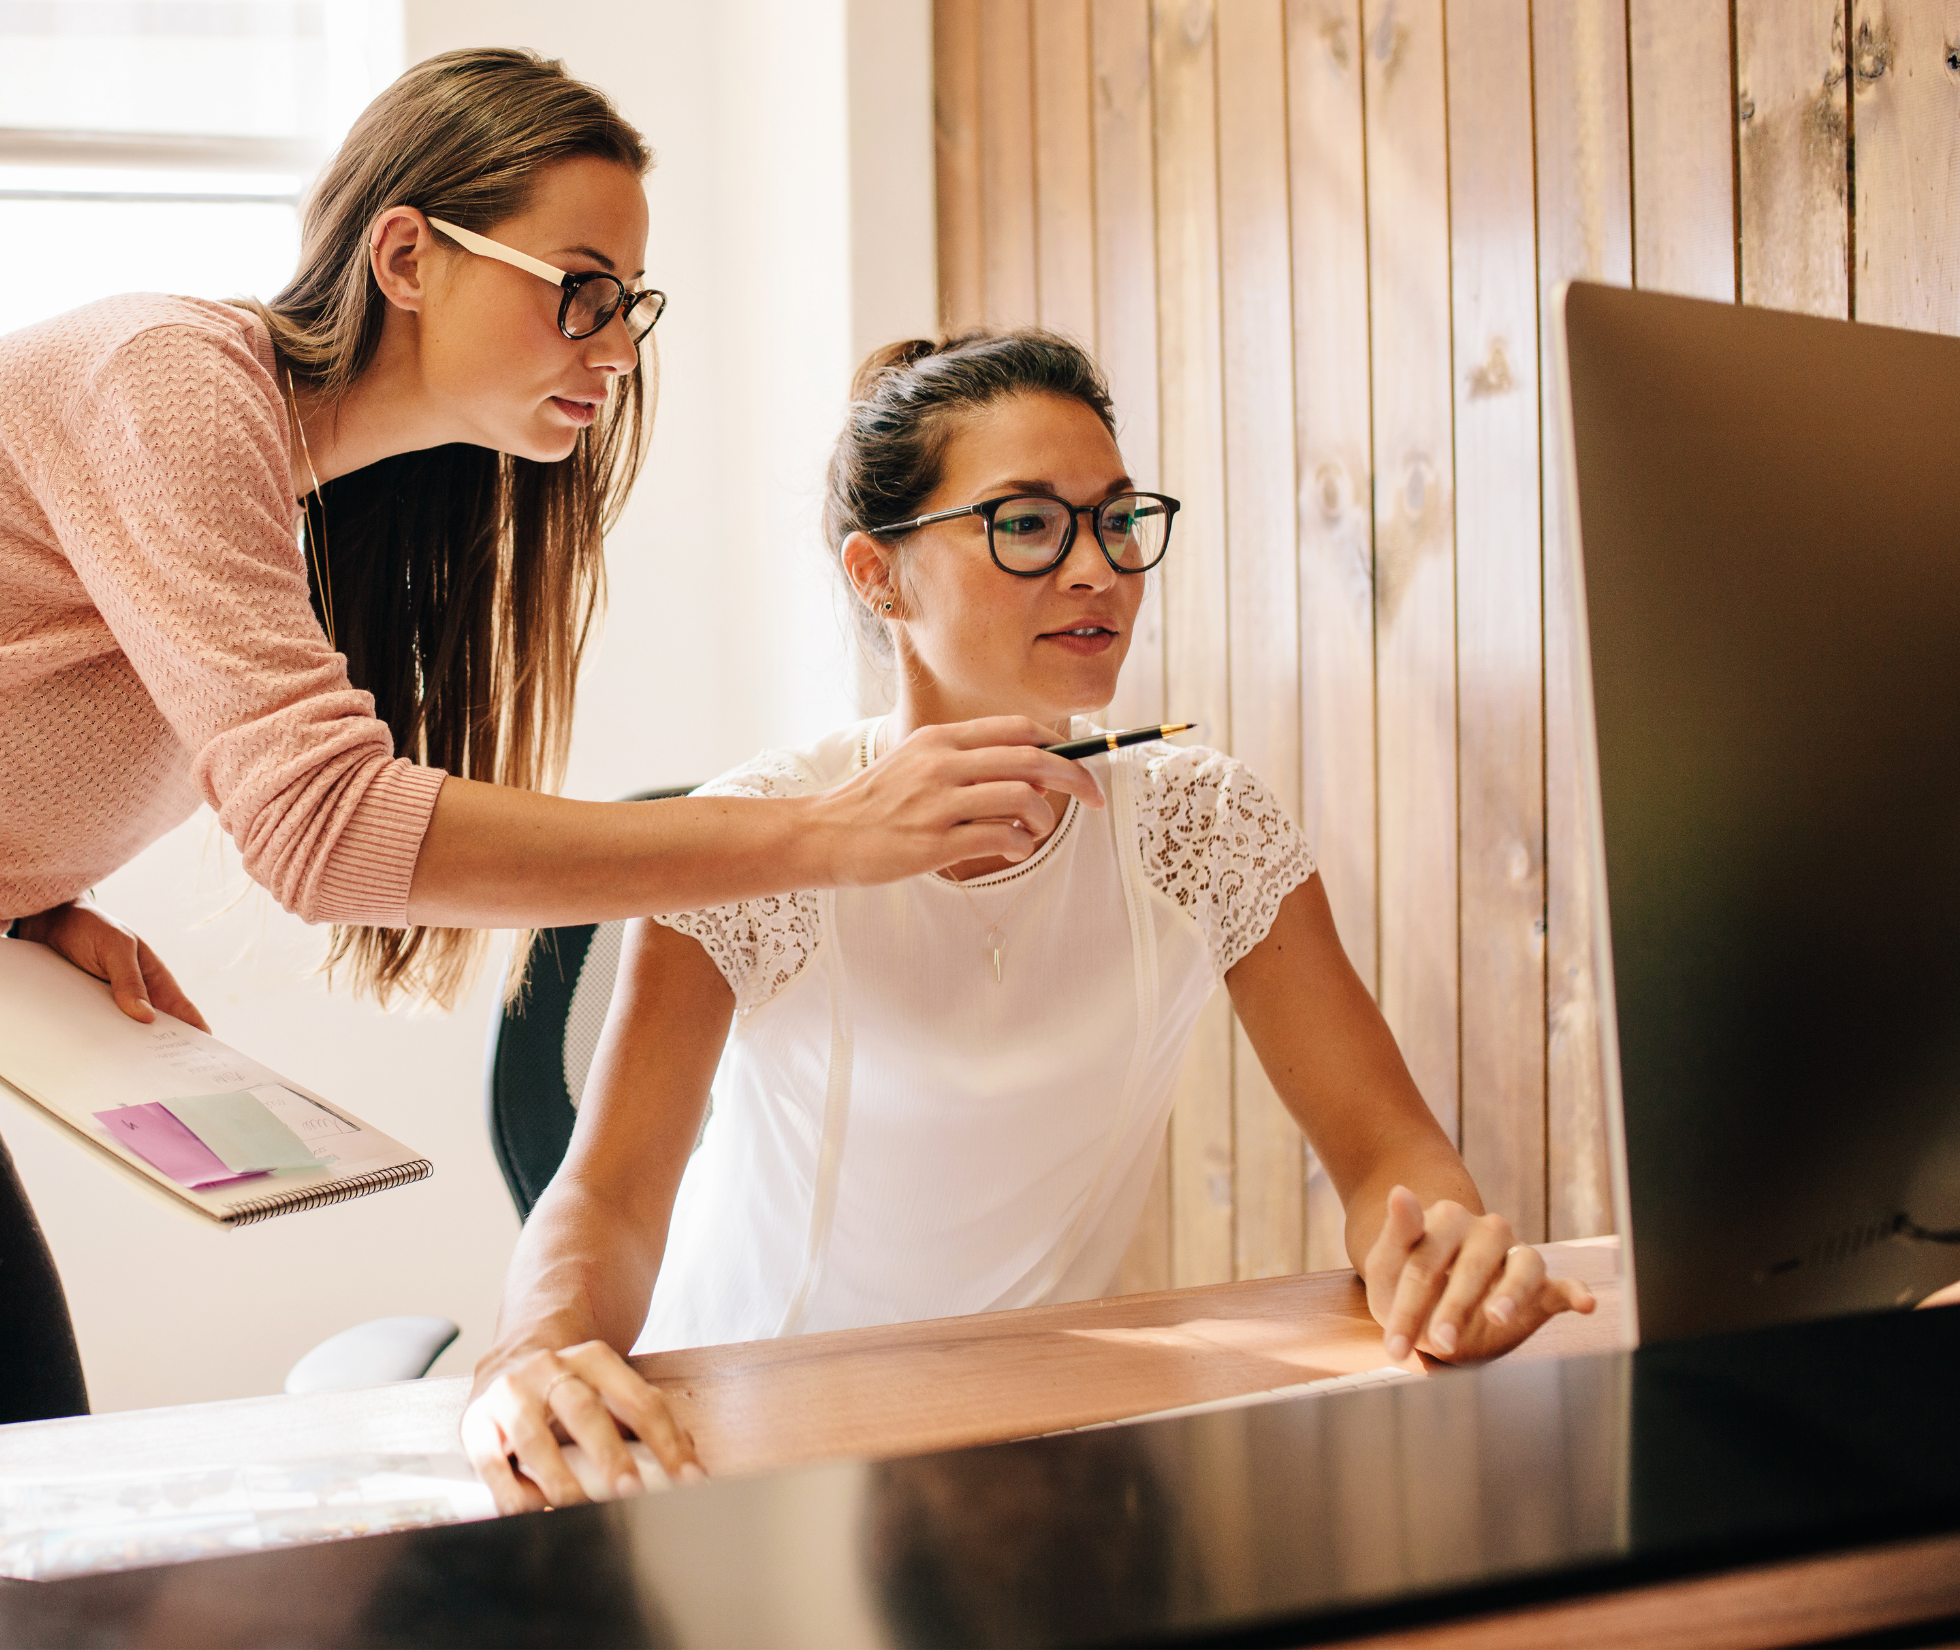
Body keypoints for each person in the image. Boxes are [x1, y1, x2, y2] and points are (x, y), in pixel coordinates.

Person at [0, 52, 1097, 1447]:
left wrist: (19, 893)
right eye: (580, 287)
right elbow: (327, 834)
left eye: (632, 302)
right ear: (407, 252)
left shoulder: (309, 495)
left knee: (24, 1495)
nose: (615, 343)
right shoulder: (174, 381)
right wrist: (819, 833)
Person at [461, 330, 1598, 1513]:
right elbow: (605, 1198)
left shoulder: (1204, 828)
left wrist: (1441, 1251)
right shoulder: (756, 836)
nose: (1098, 569)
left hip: (1029, 1440)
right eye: (1026, 523)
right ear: (877, 575)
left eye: (1116, 519)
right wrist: (532, 1347)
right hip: (736, 1436)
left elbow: (1389, 1153)